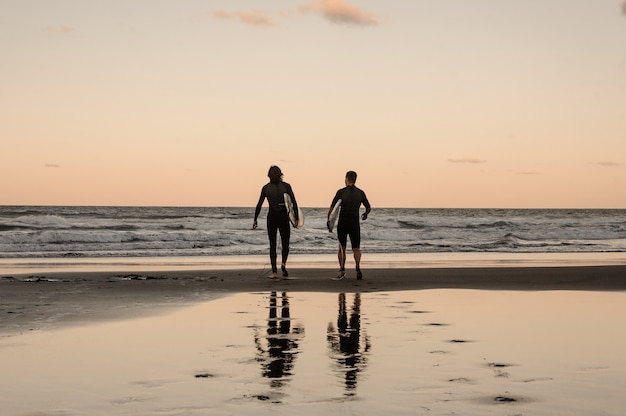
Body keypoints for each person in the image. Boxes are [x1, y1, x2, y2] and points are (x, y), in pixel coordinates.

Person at [253, 166, 299, 279]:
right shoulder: (286, 186)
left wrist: (255, 219)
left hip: (272, 218)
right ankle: (283, 263)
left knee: (272, 245)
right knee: (285, 244)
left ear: (269, 175)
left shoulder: (266, 188)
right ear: (280, 175)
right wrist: (296, 218)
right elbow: (293, 202)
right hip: (284, 217)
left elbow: (259, 204)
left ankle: (274, 272)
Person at [327, 171, 371, 280]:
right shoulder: (360, 193)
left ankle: (342, 269)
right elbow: (368, 207)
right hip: (354, 223)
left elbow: (332, 209)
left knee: (342, 248)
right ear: (355, 179)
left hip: (343, 223)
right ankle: (357, 266)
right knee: (356, 248)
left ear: (346, 178)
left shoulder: (341, 192)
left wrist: (329, 221)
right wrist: (365, 214)